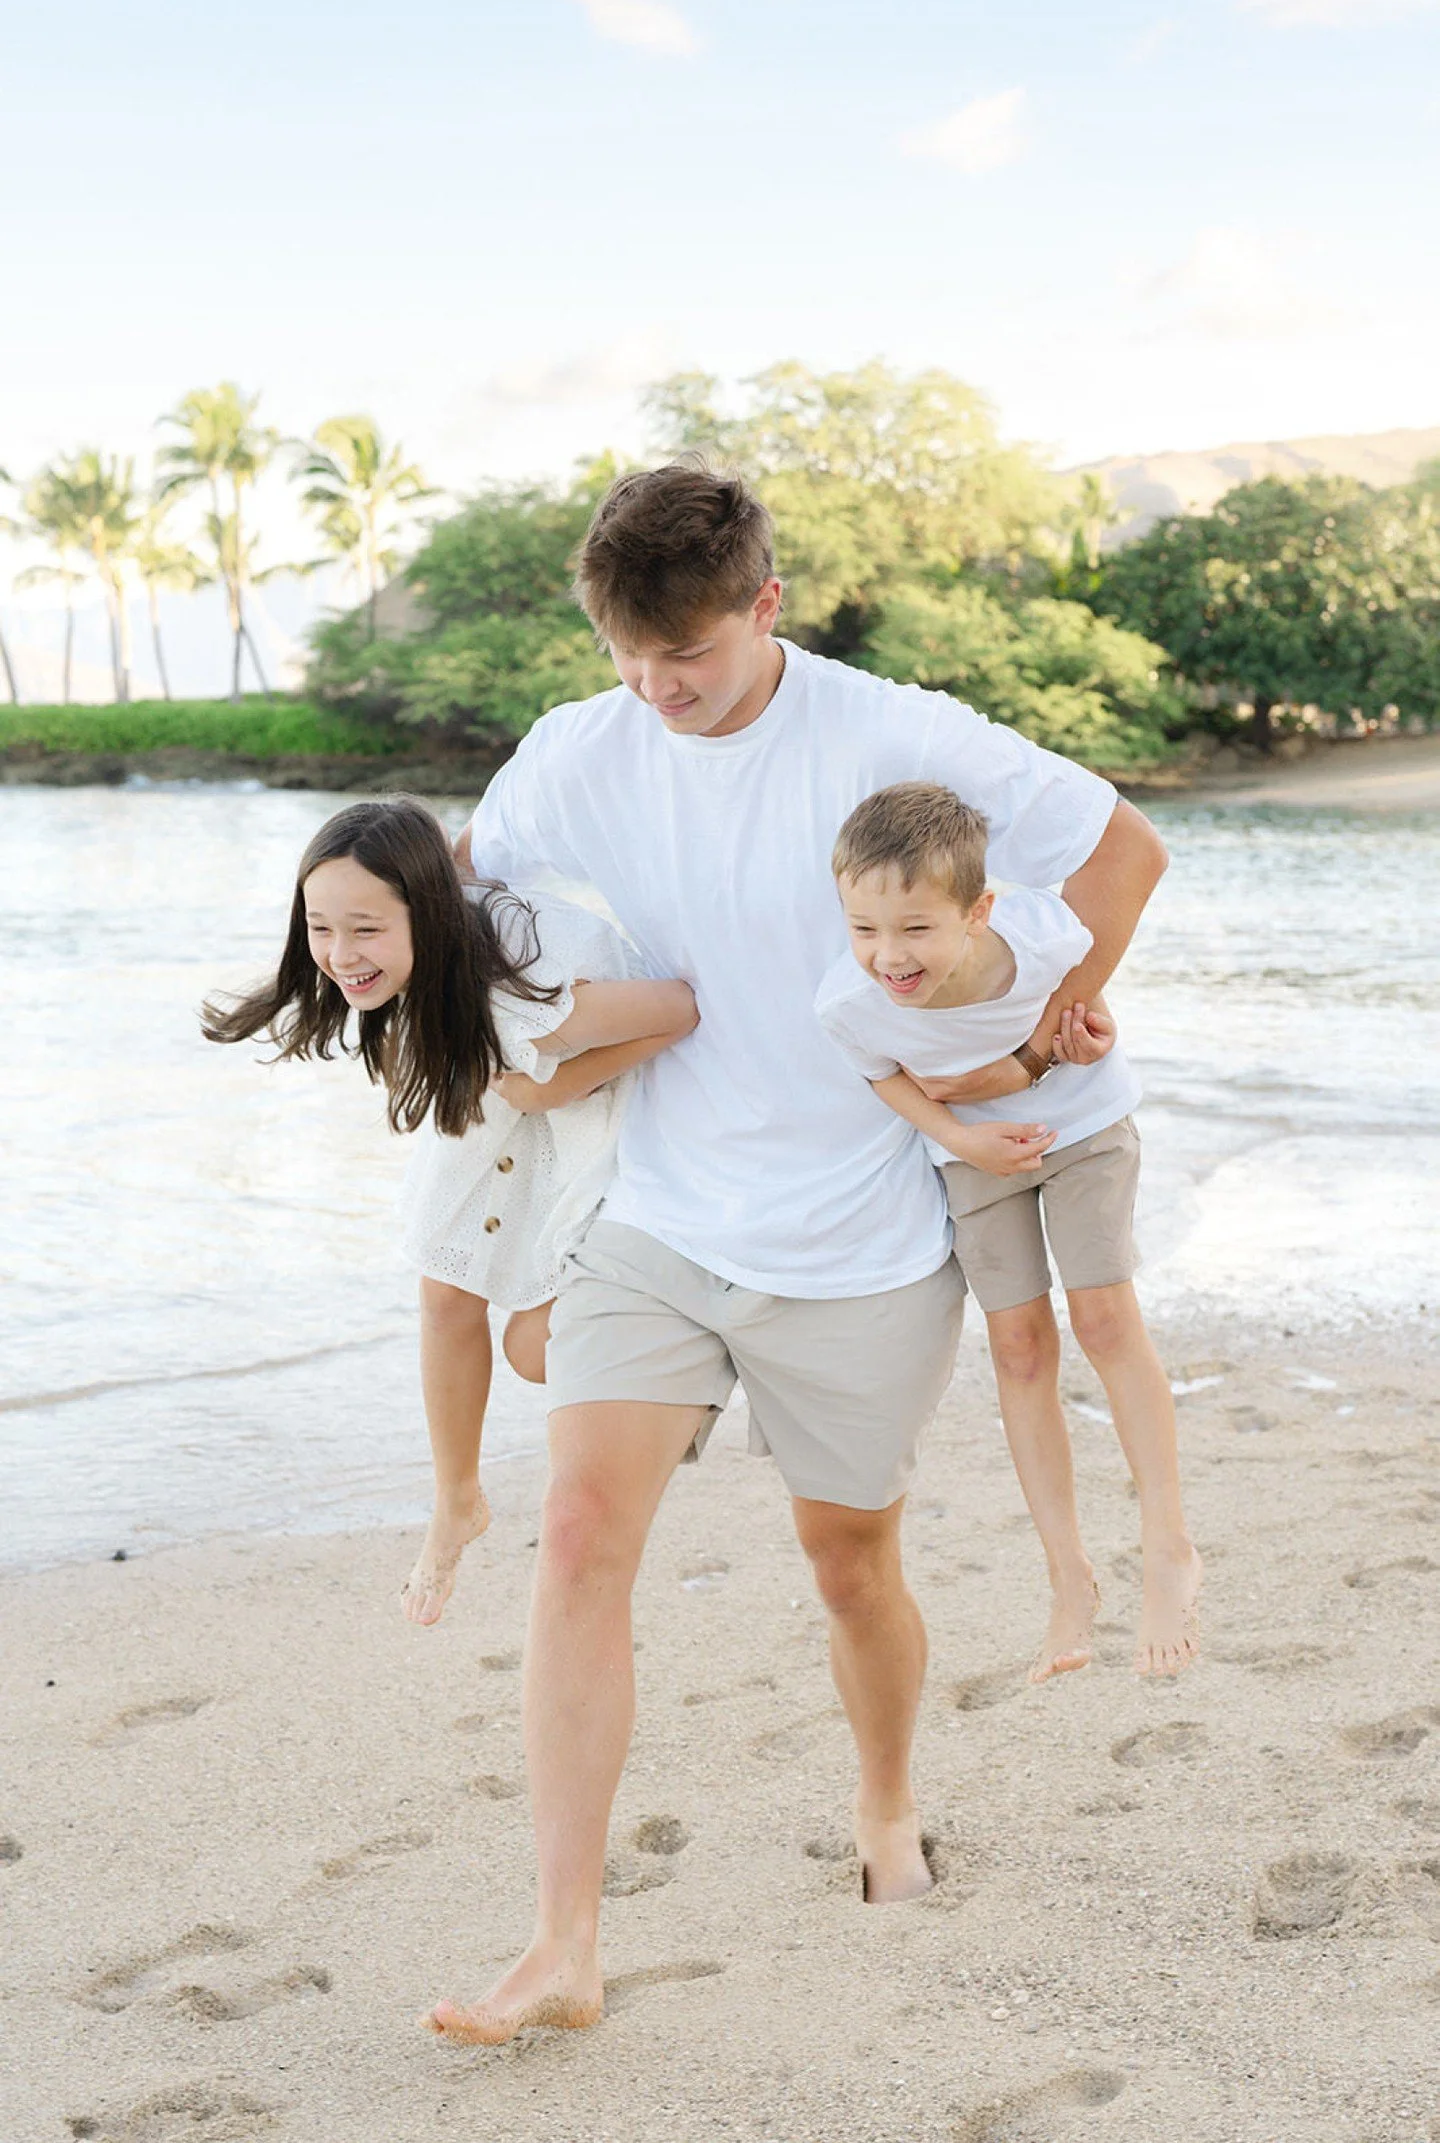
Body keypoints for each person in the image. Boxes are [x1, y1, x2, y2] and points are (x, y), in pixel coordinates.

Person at [426, 459, 1168, 2048]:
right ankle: (563, 1939)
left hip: (866, 1234)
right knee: (574, 1530)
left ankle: (888, 1801)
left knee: (849, 1561)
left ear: (765, 605)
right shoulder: (582, 746)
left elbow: (1121, 852)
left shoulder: (891, 731)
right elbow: (457, 893)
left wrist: (1025, 1049)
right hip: (664, 1218)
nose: (656, 689)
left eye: (685, 657)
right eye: (628, 658)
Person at [201, 797, 699, 1622]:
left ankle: (678, 1367)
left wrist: (555, 1084)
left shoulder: (516, 988)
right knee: (444, 1285)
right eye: (320, 927)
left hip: (590, 1101)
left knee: (535, 1350)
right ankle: (456, 1500)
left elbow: (680, 1007)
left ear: (425, 912)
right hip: (508, 1083)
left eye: (364, 929)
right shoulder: (429, 952)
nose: (338, 953)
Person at [817, 782, 1201, 1684]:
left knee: (1105, 1320)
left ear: (978, 909)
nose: (889, 955)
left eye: (915, 928)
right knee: (1020, 1348)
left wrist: (1085, 1032)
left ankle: (1167, 1547)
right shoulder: (851, 1001)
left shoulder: (1041, 930)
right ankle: (1069, 1574)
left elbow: (1093, 984)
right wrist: (958, 1138)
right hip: (972, 1159)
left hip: (1087, 1125)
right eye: (864, 928)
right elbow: (884, 1076)